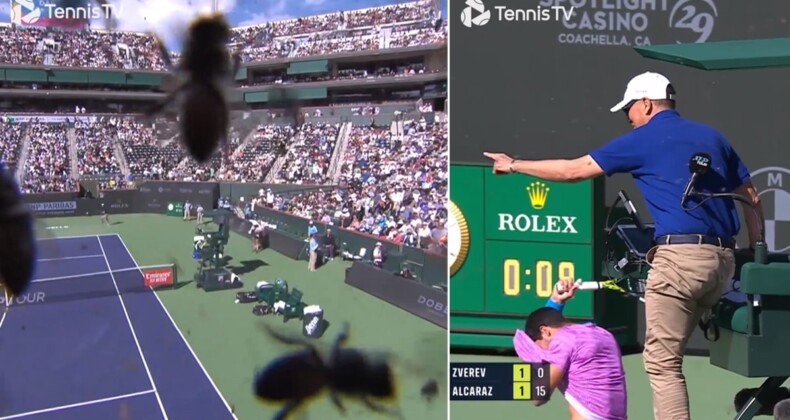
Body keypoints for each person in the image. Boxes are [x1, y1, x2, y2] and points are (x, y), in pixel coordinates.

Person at [485, 71, 763, 420]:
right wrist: (755, 253)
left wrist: (513, 165)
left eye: (629, 109)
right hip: (723, 264)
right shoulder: (712, 136)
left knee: (662, 364)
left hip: (680, 264)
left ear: (646, 104)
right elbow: (751, 197)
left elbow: (573, 170)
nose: (628, 118)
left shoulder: (644, 138)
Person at [514, 279, 627, 420]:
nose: (545, 354)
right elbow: (548, 321)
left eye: (540, 346)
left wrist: (530, 356)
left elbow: (537, 397)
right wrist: (555, 302)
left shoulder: (564, 340)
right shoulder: (604, 334)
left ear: (545, 331)